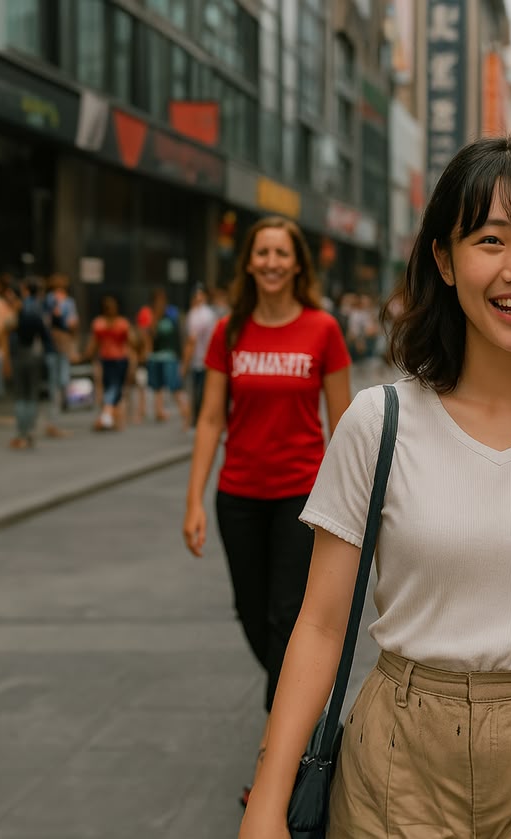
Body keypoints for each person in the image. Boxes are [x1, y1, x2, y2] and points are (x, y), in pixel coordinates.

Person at [238, 137, 511, 839]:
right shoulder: (378, 422)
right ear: (444, 259)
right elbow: (319, 622)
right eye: (490, 239)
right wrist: (267, 799)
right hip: (397, 758)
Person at [182, 216, 351, 803]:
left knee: (285, 619)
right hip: (238, 496)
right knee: (252, 615)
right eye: (263, 252)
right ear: (249, 263)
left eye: (283, 252)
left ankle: (272, 757)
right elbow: (210, 419)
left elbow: (344, 424)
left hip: (302, 497)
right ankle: (296, 698)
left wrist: (349, 507)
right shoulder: (228, 332)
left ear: (298, 263)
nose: (273, 262)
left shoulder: (323, 329)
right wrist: (194, 499)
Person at [8, 278, 54, 449]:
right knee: (32, 394)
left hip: (20, 352)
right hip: (35, 353)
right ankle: (30, 431)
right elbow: (45, 333)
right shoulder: (41, 307)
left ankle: (21, 432)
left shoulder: (19, 308)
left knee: (21, 394)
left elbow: (10, 329)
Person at [141, 287, 191, 427]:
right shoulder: (151, 316)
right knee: (157, 387)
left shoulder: (172, 315)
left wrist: (180, 356)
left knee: (174, 385)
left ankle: (186, 413)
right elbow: (148, 337)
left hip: (169, 356)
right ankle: (159, 411)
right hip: (156, 356)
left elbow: (178, 337)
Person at [81, 295, 133, 431]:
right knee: (112, 388)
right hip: (110, 359)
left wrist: (85, 356)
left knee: (113, 388)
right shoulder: (106, 323)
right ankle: (110, 417)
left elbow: (129, 342)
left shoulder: (117, 323)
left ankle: (110, 417)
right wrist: (86, 356)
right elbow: (94, 343)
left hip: (117, 359)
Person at [43, 273, 79, 436]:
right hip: (58, 343)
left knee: (57, 383)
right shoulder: (57, 301)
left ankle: (53, 420)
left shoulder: (52, 300)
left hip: (54, 344)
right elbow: (71, 323)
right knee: (58, 382)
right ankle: (53, 422)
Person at [182, 286, 219, 425]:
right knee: (202, 391)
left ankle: (199, 419)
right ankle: (198, 418)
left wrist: (184, 363)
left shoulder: (199, 314)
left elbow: (192, 340)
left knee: (200, 391)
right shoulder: (207, 313)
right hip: (204, 359)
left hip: (202, 360)